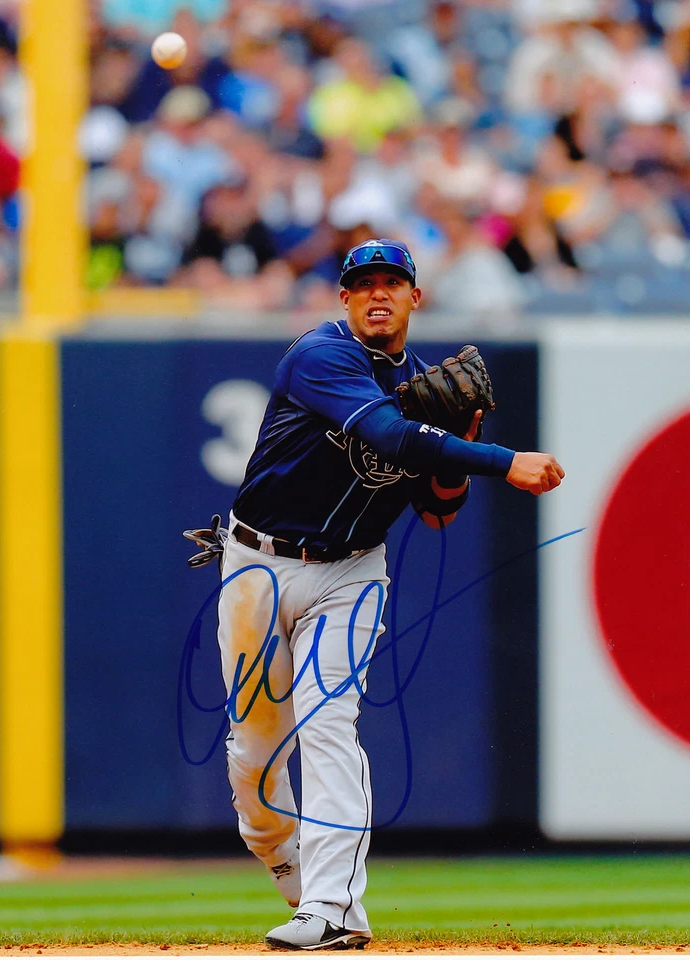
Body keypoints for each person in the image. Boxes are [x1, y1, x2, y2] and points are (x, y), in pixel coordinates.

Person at [213, 238, 564, 950]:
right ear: (343, 298)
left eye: (392, 282)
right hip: (257, 563)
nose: (378, 293)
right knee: (254, 757)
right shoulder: (322, 355)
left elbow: (438, 509)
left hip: (351, 573)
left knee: (329, 725)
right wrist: (503, 460)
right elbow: (387, 435)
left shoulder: (430, 391)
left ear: (414, 298)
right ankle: (290, 866)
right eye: (364, 283)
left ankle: (333, 909)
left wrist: (460, 447)